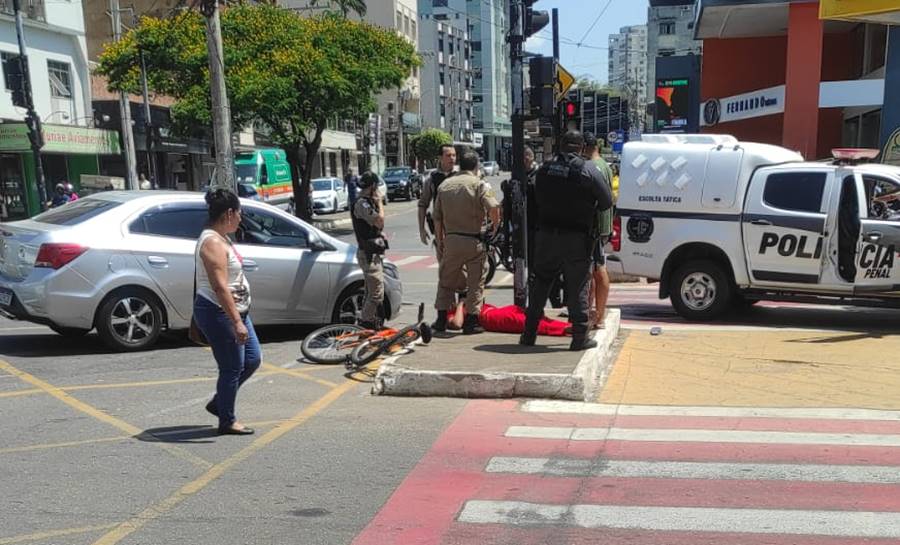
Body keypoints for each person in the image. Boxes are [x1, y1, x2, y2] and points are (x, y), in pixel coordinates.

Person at [520, 130, 613, 351]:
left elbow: (534, 197)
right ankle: (579, 337)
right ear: (581, 148)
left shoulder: (544, 169)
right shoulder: (587, 170)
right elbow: (607, 201)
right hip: (576, 238)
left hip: (546, 236)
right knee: (578, 285)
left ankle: (528, 334)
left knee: (540, 284)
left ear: (561, 146)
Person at [193, 189, 260, 436]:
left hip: (237, 311)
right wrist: (236, 322)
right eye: (239, 213)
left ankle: (219, 402)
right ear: (229, 213)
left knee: (252, 360)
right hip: (219, 312)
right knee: (232, 367)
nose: (241, 219)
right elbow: (220, 287)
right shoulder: (211, 242)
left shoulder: (222, 237)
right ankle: (227, 420)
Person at [432, 150, 501, 334]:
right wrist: (494, 227)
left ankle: (440, 319)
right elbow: (494, 206)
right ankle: (471, 321)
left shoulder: (445, 185)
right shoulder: (479, 184)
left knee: (446, 280)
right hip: (473, 240)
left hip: (452, 240)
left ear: (459, 165)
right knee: (475, 282)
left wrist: (440, 241)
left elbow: (436, 218)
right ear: (476, 166)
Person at [582, 133, 615, 328]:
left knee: (597, 268)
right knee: (593, 269)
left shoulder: (594, 167)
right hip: (602, 224)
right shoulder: (605, 165)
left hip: (596, 225)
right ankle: (592, 312)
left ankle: (599, 315)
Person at [351, 171, 388, 329]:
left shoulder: (365, 201)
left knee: (370, 291)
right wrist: (380, 202)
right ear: (373, 186)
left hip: (373, 253)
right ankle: (366, 323)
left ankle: (369, 321)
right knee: (376, 293)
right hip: (368, 254)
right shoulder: (362, 203)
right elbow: (379, 221)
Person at [418, 144, 458, 255]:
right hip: (441, 229)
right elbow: (423, 204)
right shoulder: (432, 178)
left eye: (454, 155)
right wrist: (421, 229)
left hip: (460, 228)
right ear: (440, 158)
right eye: (448, 155)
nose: (452, 158)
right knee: (444, 265)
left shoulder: (461, 175)